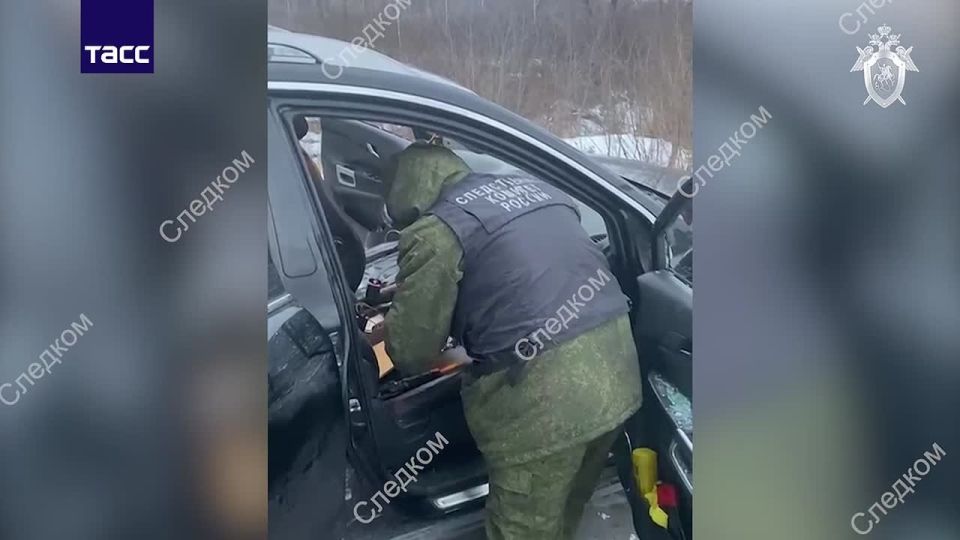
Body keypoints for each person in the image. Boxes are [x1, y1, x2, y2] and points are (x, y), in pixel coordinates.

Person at [383, 141, 642, 540]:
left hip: (546, 410)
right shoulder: (540, 193)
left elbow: (411, 352)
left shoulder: (434, 232)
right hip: (619, 376)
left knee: (522, 527)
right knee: (568, 506)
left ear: (405, 196)